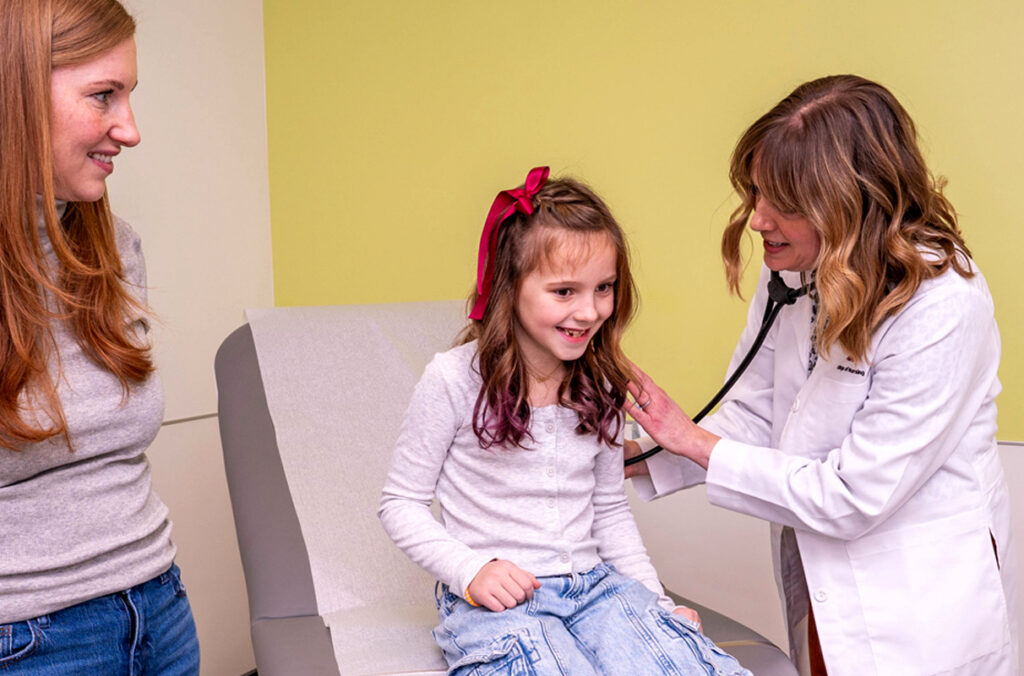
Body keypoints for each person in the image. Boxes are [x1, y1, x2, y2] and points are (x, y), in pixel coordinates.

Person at [625, 75, 1016, 676]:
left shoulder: (941, 303)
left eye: (782, 203)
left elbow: (856, 495)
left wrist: (692, 440)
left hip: (914, 600)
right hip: (823, 578)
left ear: (848, 200)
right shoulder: (797, 269)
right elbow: (755, 411)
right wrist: (634, 454)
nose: (757, 220)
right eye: (755, 192)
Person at [379, 166, 750, 675]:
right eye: (564, 292)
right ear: (510, 286)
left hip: (596, 589)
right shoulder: (452, 380)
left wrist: (654, 604)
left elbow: (610, 512)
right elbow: (400, 503)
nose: (589, 311)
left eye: (604, 288)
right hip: (498, 604)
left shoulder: (600, 382)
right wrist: (471, 571)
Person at [0, 0, 199, 673]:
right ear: (17, 92)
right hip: (30, 642)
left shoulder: (114, 248)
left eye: (129, 95)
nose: (130, 130)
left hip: (160, 609)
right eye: (104, 96)